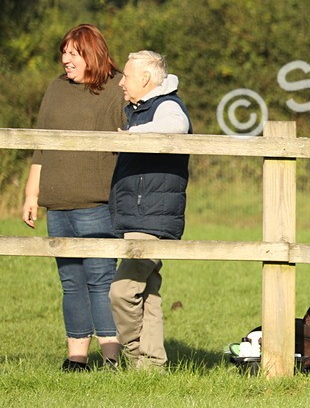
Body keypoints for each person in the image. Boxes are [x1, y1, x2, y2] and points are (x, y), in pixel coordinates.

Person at [23, 24, 127, 371]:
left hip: (96, 203)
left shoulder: (115, 88)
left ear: (91, 54)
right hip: (58, 202)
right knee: (70, 283)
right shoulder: (56, 88)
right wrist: (31, 194)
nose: (65, 59)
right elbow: (41, 144)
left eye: (73, 53)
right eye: (64, 52)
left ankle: (111, 355)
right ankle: (76, 358)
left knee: (100, 281)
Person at [109, 51, 192, 371]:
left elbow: (176, 127)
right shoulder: (141, 109)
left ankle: (133, 353)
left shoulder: (167, 105)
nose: (121, 83)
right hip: (142, 215)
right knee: (148, 294)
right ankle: (153, 365)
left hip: (152, 217)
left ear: (145, 78)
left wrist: (129, 137)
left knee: (122, 291)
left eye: (127, 76)